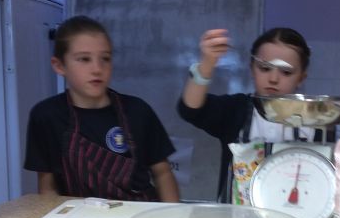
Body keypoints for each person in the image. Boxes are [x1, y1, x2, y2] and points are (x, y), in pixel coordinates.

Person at [25, 16, 179, 202]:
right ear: (59, 65)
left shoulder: (138, 111)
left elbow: (162, 173)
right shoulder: (45, 116)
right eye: (84, 59)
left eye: (105, 58)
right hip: (78, 217)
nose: (97, 68)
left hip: (138, 213)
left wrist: (174, 216)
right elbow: (48, 188)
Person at [177, 27, 322, 201]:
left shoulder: (315, 120)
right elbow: (190, 109)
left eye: (286, 72)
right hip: (235, 215)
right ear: (252, 68)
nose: (273, 79)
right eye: (265, 68)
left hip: (293, 214)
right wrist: (207, 64)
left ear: (301, 78)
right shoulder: (235, 109)